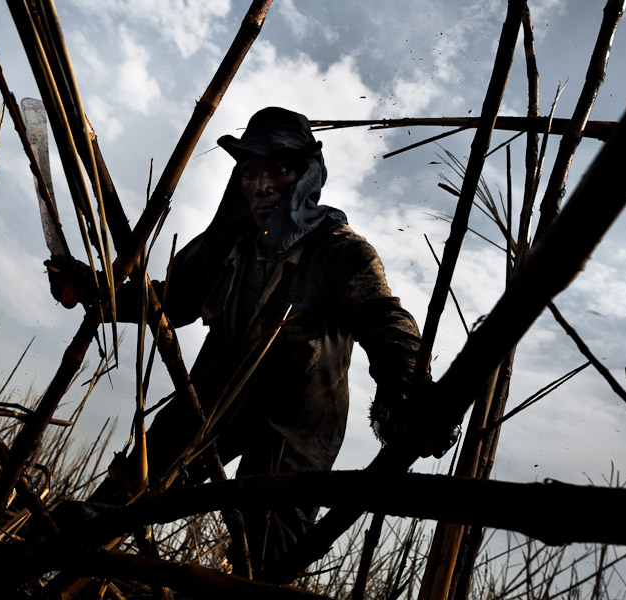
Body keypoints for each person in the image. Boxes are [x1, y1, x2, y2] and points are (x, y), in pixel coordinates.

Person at [48, 107, 458, 576]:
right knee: (132, 486)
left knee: (265, 563)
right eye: (249, 171)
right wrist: (94, 289)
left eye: (278, 170)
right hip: (213, 400)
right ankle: (63, 559)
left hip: (293, 429)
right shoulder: (226, 245)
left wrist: (408, 389)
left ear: (305, 175)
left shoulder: (339, 251)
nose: (262, 184)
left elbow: (384, 321)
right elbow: (167, 303)